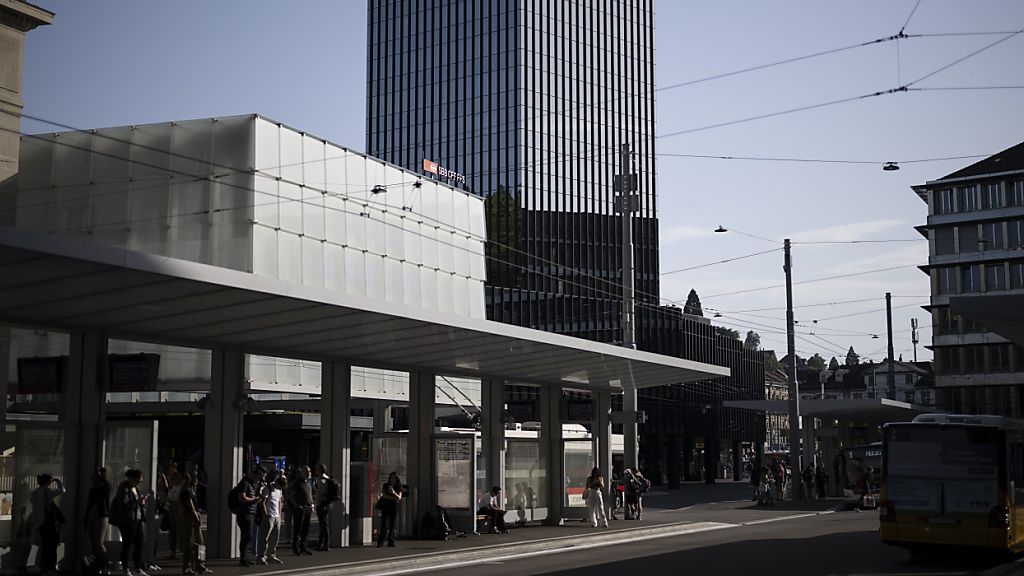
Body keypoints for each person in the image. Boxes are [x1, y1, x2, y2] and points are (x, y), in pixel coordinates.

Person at [112, 469, 149, 576]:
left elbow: (137, 504)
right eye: (138, 481)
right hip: (127, 520)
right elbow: (123, 505)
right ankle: (125, 570)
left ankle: (138, 569)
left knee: (139, 544)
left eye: (140, 482)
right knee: (127, 545)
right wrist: (137, 502)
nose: (139, 483)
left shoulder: (136, 489)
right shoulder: (124, 488)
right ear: (131, 479)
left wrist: (142, 502)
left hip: (137, 519)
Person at [31, 473, 65, 576]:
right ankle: (51, 568)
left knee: (45, 547)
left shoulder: (35, 492)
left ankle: (44, 569)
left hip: (40, 523)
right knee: (52, 547)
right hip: (48, 523)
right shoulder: (48, 492)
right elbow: (62, 490)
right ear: (48, 482)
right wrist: (57, 481)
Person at [178, 474, 211, 575]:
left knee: (199, 543)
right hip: (190, 517)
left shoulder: (189, 491)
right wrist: (197, 518)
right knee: (190, 543)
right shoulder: (186, 492)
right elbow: (191, 507)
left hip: (193, 516)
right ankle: (187, 567)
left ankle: (200, 566)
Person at [235, 465, 268, 567]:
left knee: (248, 536)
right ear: (255, 475)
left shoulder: (249, 483)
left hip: (249, 513)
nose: (258, 480)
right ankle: (242, 559)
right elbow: (242, 497)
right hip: (245, 513)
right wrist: (254, 500)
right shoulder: (245, 483)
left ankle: (244, 558)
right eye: (259, 478)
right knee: (246, 536)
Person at [84, 467, 112, 575]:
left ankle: (105, 565)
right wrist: (85, 520)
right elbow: (89, 505)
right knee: (93, 541)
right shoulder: (93, 490)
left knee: (99, 542)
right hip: (93, 513)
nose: (92, 479)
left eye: (94, 477)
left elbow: (107, 485)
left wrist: (100, 475)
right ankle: (97, 565)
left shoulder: (105, 488)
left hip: (101, 514)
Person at [257, 476, 286, 565]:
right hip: (269, 515)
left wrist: (279, 513)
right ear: (276, 483)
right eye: (279, 486)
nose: (280, 488)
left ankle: (271, 555)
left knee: (275, 537)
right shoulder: (268, 488)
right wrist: (265, 513)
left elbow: (279, 500)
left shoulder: (279, 490)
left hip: (277, 515)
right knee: (265, 537)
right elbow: (263, 501)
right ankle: (261, 556)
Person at [287, 466, 313, 556]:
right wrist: (297, 505)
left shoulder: (309, 482)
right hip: (300, 509)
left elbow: (310, 495)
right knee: (298, 529)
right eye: (306, 471)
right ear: (301, 472)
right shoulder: (297, 483)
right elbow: (291, 496)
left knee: (305, 529)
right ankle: (295, 548)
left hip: (308, 508)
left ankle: (303, 547)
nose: (309, 473)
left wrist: (312, 505)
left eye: (309, 471)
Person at [377, 472, 402, 547]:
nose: (392, 479)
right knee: (384, 524)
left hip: (394, 506)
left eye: (394, 478)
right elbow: (384, 495)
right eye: (391, 478)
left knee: (392, 523)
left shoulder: (398, 486)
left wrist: (394, 493)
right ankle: (381, 541)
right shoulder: (386, 485)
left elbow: (399, 497)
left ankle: (391, 541)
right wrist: (393, 498)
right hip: (386, 505)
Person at [313, 464, 332, 551]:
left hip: (322, 504)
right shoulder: (328, 478)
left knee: (324, 525)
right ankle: (320, 544)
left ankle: (326, 544)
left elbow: (320, 494)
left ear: (320, 470)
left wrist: (317, 504)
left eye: (317, 469)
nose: (315, 471)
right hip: (328, 503)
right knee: (323, 524)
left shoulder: (322, 480)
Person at [165, 471, 183, 561]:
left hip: (179, 509)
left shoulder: (182, 487)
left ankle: (183, 551)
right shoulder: (174, 487)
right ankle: (173, 551)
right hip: (172, 508)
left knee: (181, 530)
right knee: (172, 530)